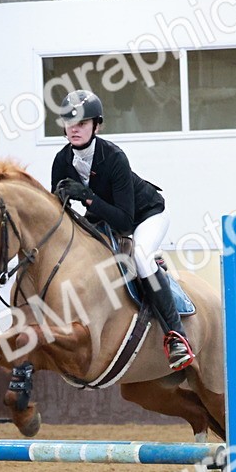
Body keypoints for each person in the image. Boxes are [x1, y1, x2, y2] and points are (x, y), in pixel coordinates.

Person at [50, 89, 194, 371]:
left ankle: (176, 336)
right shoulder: (62, 161)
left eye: (82, 123)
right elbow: (58, 212)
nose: (74, 129)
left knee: (140, 258)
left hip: (145, 215)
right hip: (105, 218)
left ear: (96, 125)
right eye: (70, 122)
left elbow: (125, 222)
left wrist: (88, 197)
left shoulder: (114, 157)